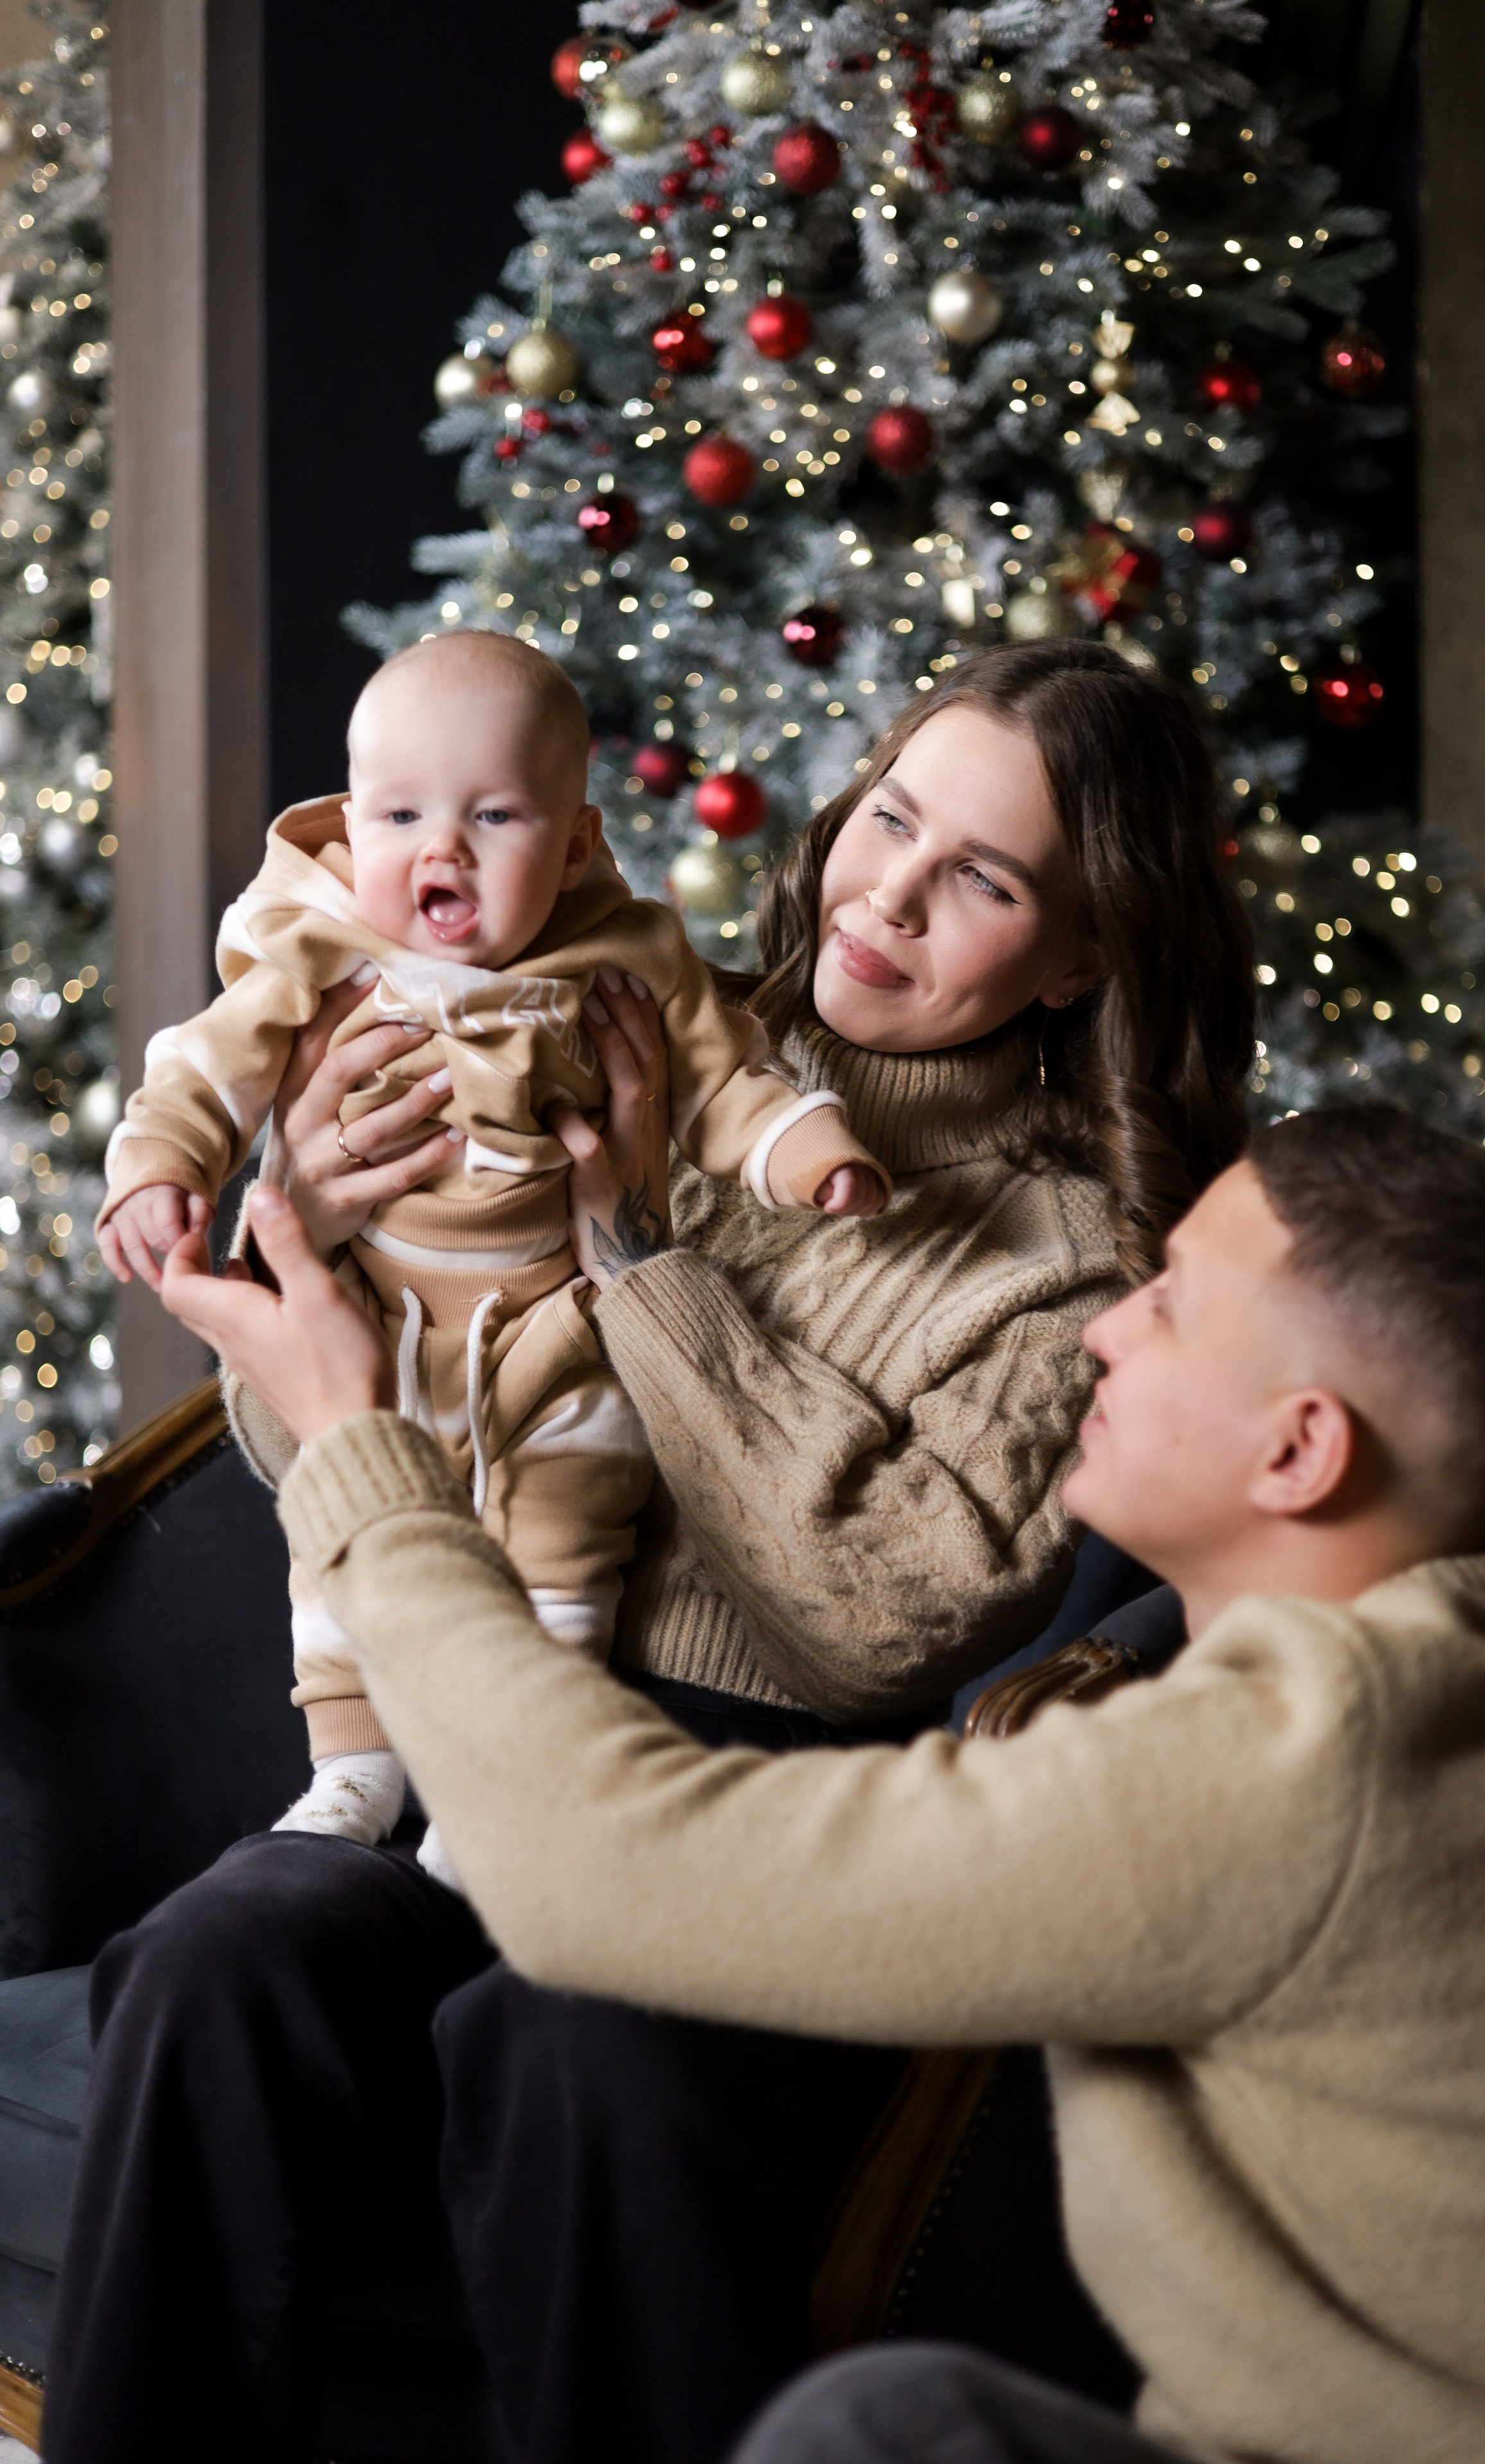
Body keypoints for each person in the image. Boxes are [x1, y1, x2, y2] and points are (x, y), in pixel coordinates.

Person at [45, 642, 1255, 2464]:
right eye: (894, 820)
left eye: (984, 882)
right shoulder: (610, 1014)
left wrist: (634, 1254)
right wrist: (315, 1257)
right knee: (230, 1949)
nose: (891, 897)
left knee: (573, 2032)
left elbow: (875, 1626)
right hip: (465, 1733)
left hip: (750, 1828)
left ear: (1082, 957)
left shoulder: (1063, 1259)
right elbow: (343, 1462)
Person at [156, 1102, 1485, 2464]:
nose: (1108, 1335)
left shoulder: (1307, 1764)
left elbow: (599, 1874)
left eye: (1173, 1309)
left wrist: (364, 1443)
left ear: (1300, 1449)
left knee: (878, 2431)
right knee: (903, 2421)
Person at [94, 630, 887, 1875]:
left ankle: (498, 1791)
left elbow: (734, 1081)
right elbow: (206, 1067)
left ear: (574, 842)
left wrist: (810, 1155)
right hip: (373, 1314)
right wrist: (161, 1172)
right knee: (337, 1534)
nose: (439, 850)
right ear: (352, 826)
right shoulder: (323, 948)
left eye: (496, 815)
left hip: (553, 1320)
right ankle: (352, 1766)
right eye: (398, 813)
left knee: (564, 1536)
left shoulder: (627, 957)